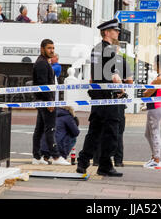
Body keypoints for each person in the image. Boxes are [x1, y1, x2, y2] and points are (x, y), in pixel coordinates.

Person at [76, 18, 123, 177]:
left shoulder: (96, 49)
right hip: (108, 98)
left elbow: (93, 76)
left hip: (98, 97)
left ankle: (83, 163)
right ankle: (104, 165)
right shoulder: (109, 50)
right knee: (111, 132)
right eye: (115, 30)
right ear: (107, 32)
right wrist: (121, 87)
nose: (117, 32)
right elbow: (114, 76)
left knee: (95, 132)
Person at [92, 39, 133, 167]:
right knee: (118, 131)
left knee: (98, 129)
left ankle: (97, 160)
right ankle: (118, 160)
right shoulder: (122, 61)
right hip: (117, 100)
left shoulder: (100, 60)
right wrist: (122, 89)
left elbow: (92, 80)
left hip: (101, 99)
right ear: (118, 48)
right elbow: (130, 81)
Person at [31, 39, 70, 166]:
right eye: (49, 48)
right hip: (46, 101)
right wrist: (50, 102)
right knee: (50, 129)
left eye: (53, 48)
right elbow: (43, 84)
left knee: (40, 129)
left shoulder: (43, 62)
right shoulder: (42, 63)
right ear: (42, 49)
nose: (52, 50)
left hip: (42, 100)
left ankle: (37, 157)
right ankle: (56, 157)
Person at [142, 54, 161, 170]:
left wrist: (153, 83)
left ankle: (157, 160)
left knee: (154, 133)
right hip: (157, 107)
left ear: (158, 64)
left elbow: (146, 94)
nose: (153, 65)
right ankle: (154, 157)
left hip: (156, 108)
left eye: (154, 63)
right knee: (148, 134)